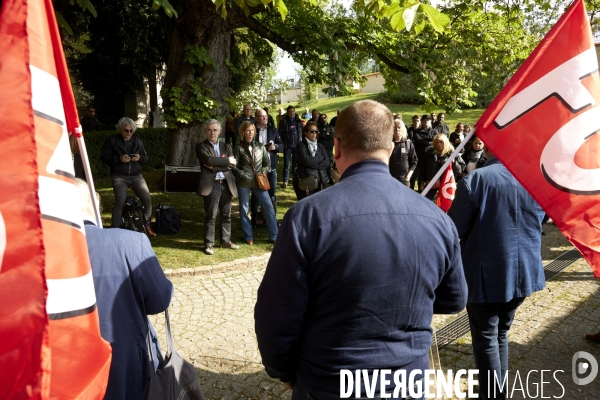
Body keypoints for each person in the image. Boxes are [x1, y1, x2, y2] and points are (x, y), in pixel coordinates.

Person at [255, 100, 467, 399]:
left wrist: (283, 372)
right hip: (406, 381)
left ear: (336, 148)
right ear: (391, 148)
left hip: (328, 382)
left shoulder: (308, 216)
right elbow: (453, 298)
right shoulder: (437, 219)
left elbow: (276, 316)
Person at [448, 145, 546, 400]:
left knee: (488, 337)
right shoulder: (534, 181)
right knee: (498, 332)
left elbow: (453, 230)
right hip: (522, 272)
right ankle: (496, 390)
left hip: (487, 276)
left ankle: (493, 394)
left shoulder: (475, 180)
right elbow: (542, 218)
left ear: (488, 148)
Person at [75, 178, 173, 400]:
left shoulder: (37, 256)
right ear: (95, 207)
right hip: (126, 363)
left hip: (68, 369)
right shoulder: (131, 242)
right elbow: (160, 299)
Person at [101, 117, 156, 236]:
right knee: (120, 201)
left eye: (131, 131)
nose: (129, 133)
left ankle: (146, 225)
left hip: (136, 175)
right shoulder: (112, 140)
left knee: (147, 199)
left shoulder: (137, 141)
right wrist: (119, 158)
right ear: (120, 129)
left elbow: (145, 158)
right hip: (119, 176)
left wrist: (140, 158)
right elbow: (104, 157)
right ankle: (114, 229)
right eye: (126, 130)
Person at [195, 119, 239, 255]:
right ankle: (209, 244)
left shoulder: (226, 147)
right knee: (211, 215)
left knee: (226, 214)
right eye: (209, 129)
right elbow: (207, 160)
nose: (212, 132)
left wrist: (214, 166)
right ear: (205, 131)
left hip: (226, 184)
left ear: (220, 131)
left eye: (215, 130)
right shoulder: (200, 146)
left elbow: (232, 165)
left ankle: (226, 240)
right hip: (211, 185)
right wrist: (226, 161)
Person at [232, 121, 278, 245]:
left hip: (259, 182)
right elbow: (233, 166)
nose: (250, 132)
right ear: (243, 132)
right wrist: (242, 174)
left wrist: (261, 172)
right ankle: (248, 236)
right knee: (244, 209)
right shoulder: (238, 147)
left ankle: (274, 235)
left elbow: (267, 164)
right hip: (244, 182)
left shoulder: (260, 146)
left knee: (268, 206)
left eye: (252, 130)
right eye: (248, 130)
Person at [251, 109, 284, 225]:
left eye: (266, 116)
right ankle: (254, 218)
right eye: (262, 116)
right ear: (256, 118)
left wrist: (274, 147)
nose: (265, 118)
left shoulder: (273, 130)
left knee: (272, 194)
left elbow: (282, 145)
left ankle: (271, 218)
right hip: (257, 168)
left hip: (271, 168)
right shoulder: (252, 131)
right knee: (256, 194)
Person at [420, 134, 465, 200]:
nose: (439, 144)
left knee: (446, 205)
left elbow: (460, 169)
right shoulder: (429, 153)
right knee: (425, 200)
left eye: (441, 142)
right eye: (437, 142)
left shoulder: (452, 153)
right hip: (432, 182)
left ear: (445, 142)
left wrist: (454, 163)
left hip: (447, 184)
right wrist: (421, 182)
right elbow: (423, 168)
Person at [294, 121, 330, 200]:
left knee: (320, 205)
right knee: (307, 206)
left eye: (316, 131)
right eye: (312, 131)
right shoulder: (301, 146)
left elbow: (327, 162)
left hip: (321, 180)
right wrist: (320, 158)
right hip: (306, 181)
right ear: (306, 132)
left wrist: (312, 165)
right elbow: (306, 161)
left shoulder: (320, 146)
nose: (314, 133)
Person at [279, 105, 303, 188]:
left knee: (296, 164)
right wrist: (281, 145)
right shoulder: (283, 122)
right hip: (287, 146)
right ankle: (285, 181)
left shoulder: (298, 121)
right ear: (287, 112)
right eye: (290, 111)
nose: (292, 113)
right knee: (287, 164)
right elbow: (280, 134)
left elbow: (302, 133)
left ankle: (295, 179)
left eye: (293, 111)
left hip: (297, 145)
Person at [389, 116, 417, 186]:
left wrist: (408, 176)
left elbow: (414, 161)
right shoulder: (388, 144)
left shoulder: (408, 143)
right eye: (394, 128)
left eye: (399, 127)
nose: (397, 130)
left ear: (403, 129)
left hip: (404, 180)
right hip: (390, 179)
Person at [413, 114, 435, 191]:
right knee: (418, 174)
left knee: (429, 174)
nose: (426, 121)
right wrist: (429, 142)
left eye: (428, 120)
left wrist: (424, 139)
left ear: (431, 121)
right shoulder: (417, 131)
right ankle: (418, 189)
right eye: (425, 120)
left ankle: (428, 190)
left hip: (431, 157)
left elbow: (436, 140)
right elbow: (418, 140)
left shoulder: (434, 131)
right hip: (420, 156)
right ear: (422, 121)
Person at [317, 113, 335, 185]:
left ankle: (330, 178)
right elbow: (318, 135)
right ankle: (321, 178)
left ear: (327, 118)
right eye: (321, 118)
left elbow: (331, 136)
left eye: (324, 117)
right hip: (320, 147)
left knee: (328, 163)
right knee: (320, 162)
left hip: (328, 147)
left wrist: (323, 135)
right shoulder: (318, 127)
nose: (323, 119)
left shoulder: (331, 127)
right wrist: (325, 134)